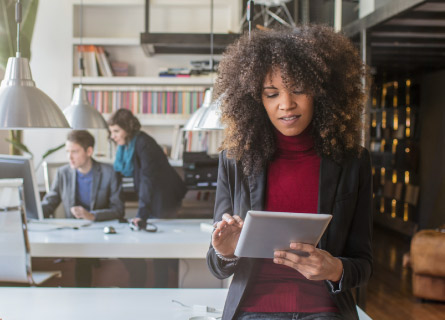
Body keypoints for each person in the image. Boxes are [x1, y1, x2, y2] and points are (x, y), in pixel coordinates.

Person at [206, 25, 373, 320]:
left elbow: (364, 263)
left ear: (322, 92)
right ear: (256, 99)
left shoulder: (353, 162)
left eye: (298, 89)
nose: (286, 104)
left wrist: (335, 269)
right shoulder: (234, 161)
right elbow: (217, 265)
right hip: (254, 311)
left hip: (325, 311)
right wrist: (225, 251)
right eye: (272, 93)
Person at [108, 109, 187, 287]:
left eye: (116, 131)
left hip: (165, 197)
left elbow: (147, 179)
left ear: (127, 129)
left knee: (161, 248)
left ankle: (166, 287)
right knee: (160, 247)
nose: (112, 136)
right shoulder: (129, 145)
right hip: (155, 195)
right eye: (111, 132)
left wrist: (141, 213)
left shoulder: (143, 143)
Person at [41, 130, 124, 286]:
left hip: (99, 231)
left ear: (89, 151)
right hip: (73, 233)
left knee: (84, 259)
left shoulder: (109, 173)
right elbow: (50, 202)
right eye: (67, 152)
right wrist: (32, 213)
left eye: (75, 152)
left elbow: (118, 209)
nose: (69, 157)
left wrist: (92, 215)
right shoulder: (63, 173)